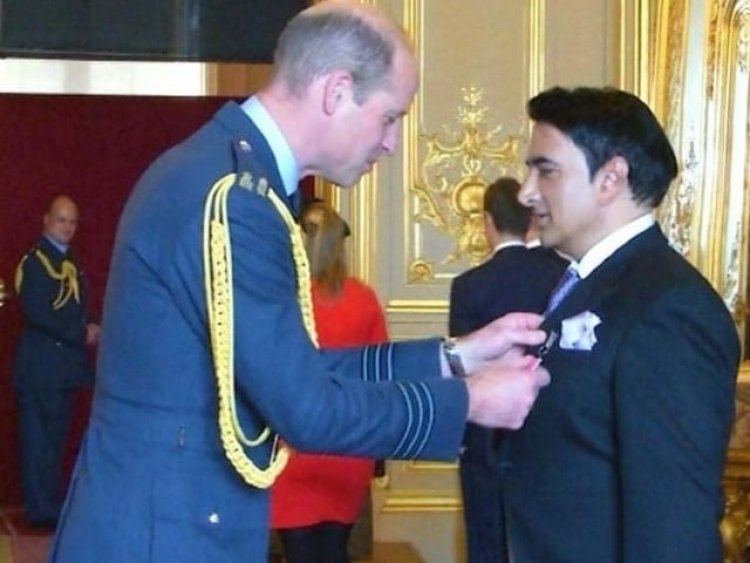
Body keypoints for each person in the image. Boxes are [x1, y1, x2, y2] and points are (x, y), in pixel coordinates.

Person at [49, 2, 551, 561]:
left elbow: (297, 368)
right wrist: (467, 402)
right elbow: (305, 407)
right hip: (164, 537)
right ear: (336, 92)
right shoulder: (235, 198)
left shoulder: (230, 176)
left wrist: (456, 357)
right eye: (389, 118)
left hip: (166, 521)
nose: (389, 144)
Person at [499, 86, 740, 563]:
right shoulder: (590, 282)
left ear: (611, 178)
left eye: (545, 170)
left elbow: (674, 523)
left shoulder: (668, 308)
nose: (526, 191)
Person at [449, 177, 567, 563]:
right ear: (532, 217)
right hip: (551, 437)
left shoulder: (469, 286)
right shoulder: (560, 277)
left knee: (487, 544)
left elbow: (462, 372)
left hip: (486, 440)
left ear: (487, 221)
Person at [271, 200, 388, 563]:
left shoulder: (280, 299)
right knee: (336, 552)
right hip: (347, 445)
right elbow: (380, 374)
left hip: (292, 445)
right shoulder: (363, 299)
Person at [12, 194, 100, 529]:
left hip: (65, 370)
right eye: (62, 220)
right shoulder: (35, 262)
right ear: (46, 219)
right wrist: (82, 332)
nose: (68, 227)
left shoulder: (72, 262)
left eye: (73, 221)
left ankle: (51, 505)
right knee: (38, 442)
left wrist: (92, 324)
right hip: (40, 369)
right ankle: (40, 510)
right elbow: (39, 313)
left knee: (57, 442)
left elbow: (77, 306)